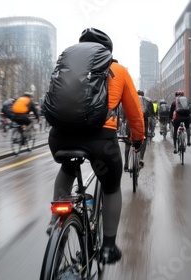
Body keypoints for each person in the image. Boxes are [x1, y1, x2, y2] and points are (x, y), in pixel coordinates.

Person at [47, 27, 145, 265]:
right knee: (111, 187)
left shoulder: (67, 66)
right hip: (101, 143)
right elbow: (134, 111)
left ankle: (56, 221)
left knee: (68, 169)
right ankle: (109, 248)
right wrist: (138, 138)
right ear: (107, 51)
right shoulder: (118, 69)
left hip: (60, 137)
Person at [123, 90, 151, 170]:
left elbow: (125, 111)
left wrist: (125, 119)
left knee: (128, 142)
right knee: (144, 139)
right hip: (142, 124)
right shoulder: (146, 101)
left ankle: (126, 164)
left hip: (131, 122)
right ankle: (141, 159)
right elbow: (149, 114)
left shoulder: (131, 99)